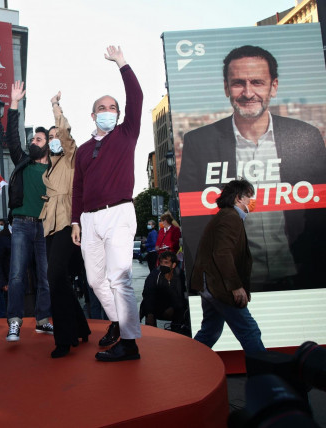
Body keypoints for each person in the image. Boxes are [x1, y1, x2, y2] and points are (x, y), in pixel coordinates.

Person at [179, 45, 326, 291]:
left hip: (303, 277)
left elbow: (319, 211)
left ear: (273, 86)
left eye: (257, 82)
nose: (248, 92)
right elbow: (194, 221)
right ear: (226, 88)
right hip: (236, 282)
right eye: (238, 83)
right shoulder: (199, 142)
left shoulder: (305, 136)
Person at [71, 45, 143, 362]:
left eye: (113, 107)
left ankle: (129, 343)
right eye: (102, 107)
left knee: (120, 277)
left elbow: (137, 98)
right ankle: (117, 323)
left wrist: (122, 64)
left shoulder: (126, 134)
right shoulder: (83, 149)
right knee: (94, 280)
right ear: (92, 114)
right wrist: (75, 221)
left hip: (119, 214)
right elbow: (78, 186)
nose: (109, 110)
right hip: (89, 219)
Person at [40, 91, 90, 358]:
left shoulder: (72, 156)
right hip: (50, 224)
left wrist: (55, 106)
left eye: (55, 135)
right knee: (58, 280)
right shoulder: (51, 164)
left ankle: (64, 339)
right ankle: (80, 327)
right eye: (50, 138)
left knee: (55, 277)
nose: (54, 140)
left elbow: (66, 133)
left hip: (68, 223)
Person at [191, 179, 266, 355]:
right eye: (249, 196)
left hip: (210, 285)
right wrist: (235, 286)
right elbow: (222, 253)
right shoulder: (230, 217)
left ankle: (184, 363)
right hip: (218, 287)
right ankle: (264, 374)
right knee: (250, 331)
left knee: (210, 331)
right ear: (239, 198)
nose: (252, 201)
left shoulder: (226, 216)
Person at [4, 80, 53, 342]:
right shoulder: (22, 161)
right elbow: (12, 136)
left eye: (38, 139)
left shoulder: (55, 169)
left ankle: (43, 320)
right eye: (32, 138)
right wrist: (13, 104)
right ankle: (14, 321)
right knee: (16, 274)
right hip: (22, 224)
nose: (33, 141)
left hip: (45, 225)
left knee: (45, 276)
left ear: (46, 145)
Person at [139, 251, 187, 329]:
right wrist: (150, 313)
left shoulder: (180, 275)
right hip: (157, 305)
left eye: (166, 262)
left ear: (173, 265)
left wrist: (173, 307)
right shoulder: (154, 275)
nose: (163, 265)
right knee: (148, 310)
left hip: (174, 306)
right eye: (161, 262)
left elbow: (181, 294)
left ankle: (176, 331)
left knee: (181, 309)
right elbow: (148, 294)